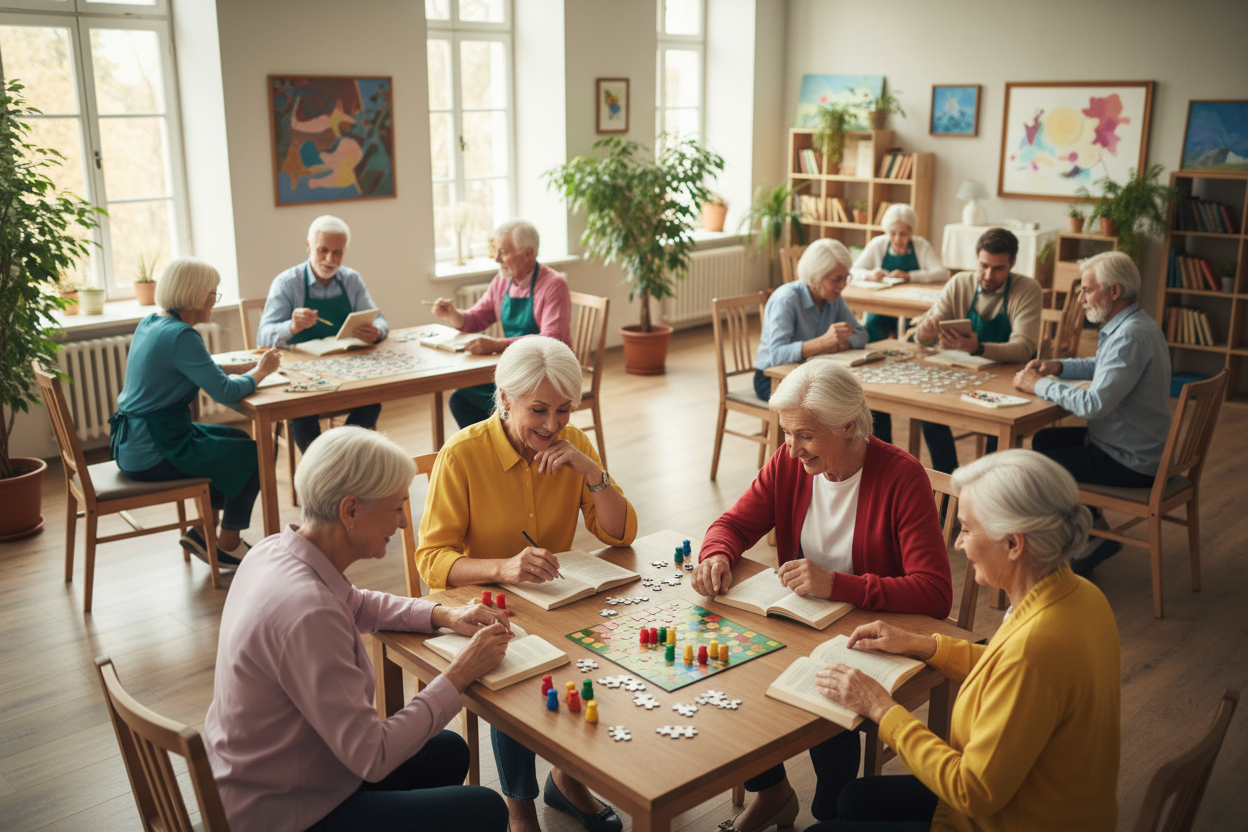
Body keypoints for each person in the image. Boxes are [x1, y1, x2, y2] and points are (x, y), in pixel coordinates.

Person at [204, 427, 511, 832]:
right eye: (397, 506)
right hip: (285, 812)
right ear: (350, 511)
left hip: (267, 774)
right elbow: (374, 756)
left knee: (449, 750)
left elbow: (357, 602)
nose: (404, 523)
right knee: (486, 809)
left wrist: (442, 615)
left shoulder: (274, 551)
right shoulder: (309, 613)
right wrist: (459, 674)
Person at [693, 360, 952, 831]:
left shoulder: (902, 476)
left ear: (848, 425)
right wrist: (717, 554)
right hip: (805, 620)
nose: (791, 449)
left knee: (828, 687)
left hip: (877, 633)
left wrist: (838, 584)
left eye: (805, 436)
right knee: (733, 668)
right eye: (787, 433)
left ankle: (830, 817)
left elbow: (935, 593)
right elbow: (732, 524)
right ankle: (772, 793)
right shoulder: (789, 465)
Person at [808, 450, 1119, 832]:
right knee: (853, 799)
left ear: (1015, 544)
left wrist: (880, 708)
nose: (958, 544)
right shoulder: (1079, 594)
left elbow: (972, 791)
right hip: (1045, 797)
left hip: (1008, 819)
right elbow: (1003, 666)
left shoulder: (1034, 649)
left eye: (967, 529)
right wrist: (922, 644)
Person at [415, 335, 637, 832]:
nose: (553, 425)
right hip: (479, 607)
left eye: (564, 410)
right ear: (505, 397)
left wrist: (593, 473)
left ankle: (567, 777)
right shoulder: (462, 454)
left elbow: (619, 533)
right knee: (516, 669)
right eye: (538, 410)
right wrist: (502, 568)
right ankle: (519, 807)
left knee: (603, 652)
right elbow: (431, 561)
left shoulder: (573, 444)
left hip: (554, 601)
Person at [110, 257, 280, 567]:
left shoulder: (152, 323)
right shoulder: (183, 336)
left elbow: (182, 368)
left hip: (132, 443)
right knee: (259, 453)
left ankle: (203, 532)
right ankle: (228, 543)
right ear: (195, 295)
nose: (214, 299)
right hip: (155, 451)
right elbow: (226, 393)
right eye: (212, 292)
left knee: (235, 438)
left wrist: (234, 368)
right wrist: (261, 372)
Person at [1013, 251, 1172, 575]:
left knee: (1042, 467)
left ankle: (1070, 544)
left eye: (1087, 290)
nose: (1081, 298)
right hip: (1139, 446)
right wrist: (1058, 366)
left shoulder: (1129, 335)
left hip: (1131, 460)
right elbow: (1102, 366)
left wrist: (1039, 383)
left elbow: (1093, 404)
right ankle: (1095, 530)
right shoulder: (1133, 323)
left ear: (1114, 291)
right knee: (1044, 441)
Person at [909, 228, 1043, 473]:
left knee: (1001, 425)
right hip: (965, 373)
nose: (988, 275)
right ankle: (951, 483)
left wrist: (978, 347)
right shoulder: (959, 283)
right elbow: (919, 337)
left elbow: (1024, 349)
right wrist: (926, 333)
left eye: (998, 268)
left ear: (1012, 263)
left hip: (1010, 377)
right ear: (976, 260)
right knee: (929, 410)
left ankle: (987, 488)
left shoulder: (1028, 289)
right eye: (983, 266)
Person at [256, 215, 389, 452]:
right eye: (323, 250)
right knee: (301, 413)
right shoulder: (287, 283)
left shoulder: (351, 280)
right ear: (308, 247)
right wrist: (291, 327)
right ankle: (320, 471)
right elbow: (262, 337)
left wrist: (376, 331)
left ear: (345, 252)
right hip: (301, 374)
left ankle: (340, 456)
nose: (330, 259)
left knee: (371, 404)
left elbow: (380, 319)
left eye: (337, 252)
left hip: (346, 370)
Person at [431, 219, 572, 429]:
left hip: (548, 374)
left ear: (527, 253)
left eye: (503, 252)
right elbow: (478, 317)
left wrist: (497, 344)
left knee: (466, 401)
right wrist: (453, 315)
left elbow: (552, 338)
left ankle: (507, 449)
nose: (496, 259)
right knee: (461, 399)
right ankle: (493, 454)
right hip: (517, 370)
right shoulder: (503, 280)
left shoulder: (553, 283)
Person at [753, 238, 869, 402]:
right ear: (816, 277)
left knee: (868, 401)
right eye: (836, 279)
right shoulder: (786, 299)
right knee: (838, 404)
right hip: (773, 378)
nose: (843, 285)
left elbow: (862, 335)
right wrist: (822, 343)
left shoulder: (834, 298)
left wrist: (838, 344)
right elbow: (777, 356)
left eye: (846, 278)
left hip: (812, 375)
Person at [849, 203, 948, 342]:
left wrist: (910, 276)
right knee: (872, 330)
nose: (897, 239)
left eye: (903, 234)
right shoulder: (877, 244)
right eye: (893, 233)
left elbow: (942, 273)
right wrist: (869, 275)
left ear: (911, 232)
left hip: (911, 305)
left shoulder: (921, 246)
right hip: (881, 305)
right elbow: (853, 270)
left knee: (914, 334)